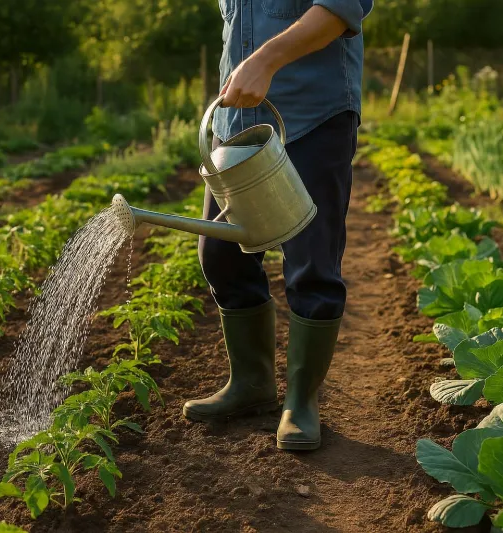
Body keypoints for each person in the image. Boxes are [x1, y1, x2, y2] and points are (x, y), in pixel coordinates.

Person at [182, 0, 374, 451]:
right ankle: (251, 384)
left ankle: (302, 402)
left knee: (311, 263)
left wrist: (265, 60)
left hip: (314, 115)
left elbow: (338, 9)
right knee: (220, 255)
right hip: (237, 122)